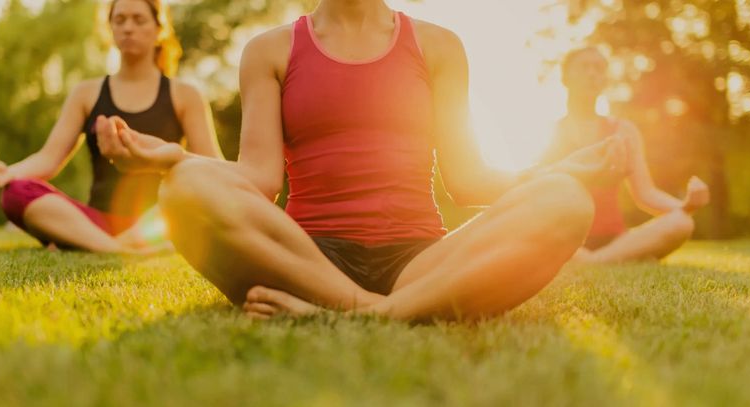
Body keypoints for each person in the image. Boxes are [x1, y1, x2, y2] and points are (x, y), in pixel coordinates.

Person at [97, 0, 626, 321]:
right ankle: (375, 310)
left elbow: (470, 179)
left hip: (419, 263)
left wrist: (560, 172)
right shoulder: (270, 50)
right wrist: (173, 158)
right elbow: (257, 180)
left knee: (565, 200)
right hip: (305, 258)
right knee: (185, 187)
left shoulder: (440, 46)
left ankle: (372, 313)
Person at [0, 0, 221, 253]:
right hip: (97, 222)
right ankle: (118, 247)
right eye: (120, 20)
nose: (128, 28)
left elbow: (210, 167)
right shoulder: (86, 93)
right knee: (15, 193)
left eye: (138, 20)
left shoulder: (185, 94)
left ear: (159, 29)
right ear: (110, 29)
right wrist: (9, 173)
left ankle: (90, 244)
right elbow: (48, 159)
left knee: (195, 198)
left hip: (161, 221)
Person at [543, 47, 710, 264]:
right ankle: (614, 259)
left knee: (682, 223)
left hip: (616, 239)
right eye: (584, 67)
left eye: (599, 68)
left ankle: (595, 261)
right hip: (567, 237)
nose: (592, 73)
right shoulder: (550, 133)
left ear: (605, 79)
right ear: (565, 77)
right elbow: (539, 192)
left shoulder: (624, 130)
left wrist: (686, 206)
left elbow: (646, 193)